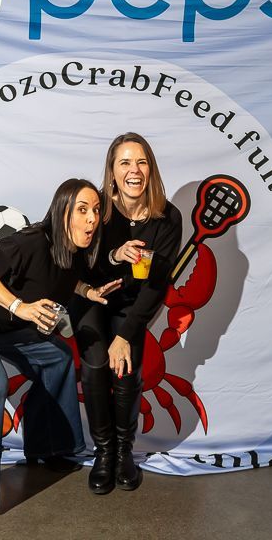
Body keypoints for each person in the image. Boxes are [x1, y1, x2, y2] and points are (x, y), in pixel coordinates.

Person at [0, 179, 121, 520]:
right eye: (83, 210)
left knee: (58, 358)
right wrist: (21, 307)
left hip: (1, 323)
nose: (92, 218)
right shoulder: (34, 239)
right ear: (63, 212)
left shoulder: (76, 251)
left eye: (95, 211)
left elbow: (65, 278)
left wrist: (88, 292)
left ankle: (49, 448)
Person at [71, 133, 182, 494]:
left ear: (150, 169)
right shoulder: (97, 208)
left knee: (128, 371)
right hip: (92, 299)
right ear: (112, 172)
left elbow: (157, 285)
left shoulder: (168, 217)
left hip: (132, 308)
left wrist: (125, 335)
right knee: (95, 367)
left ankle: (124, 453)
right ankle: (103, 454)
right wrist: (115, 256)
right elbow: (81, 264)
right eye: (125, 162)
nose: (134, 170)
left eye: (141, 162)